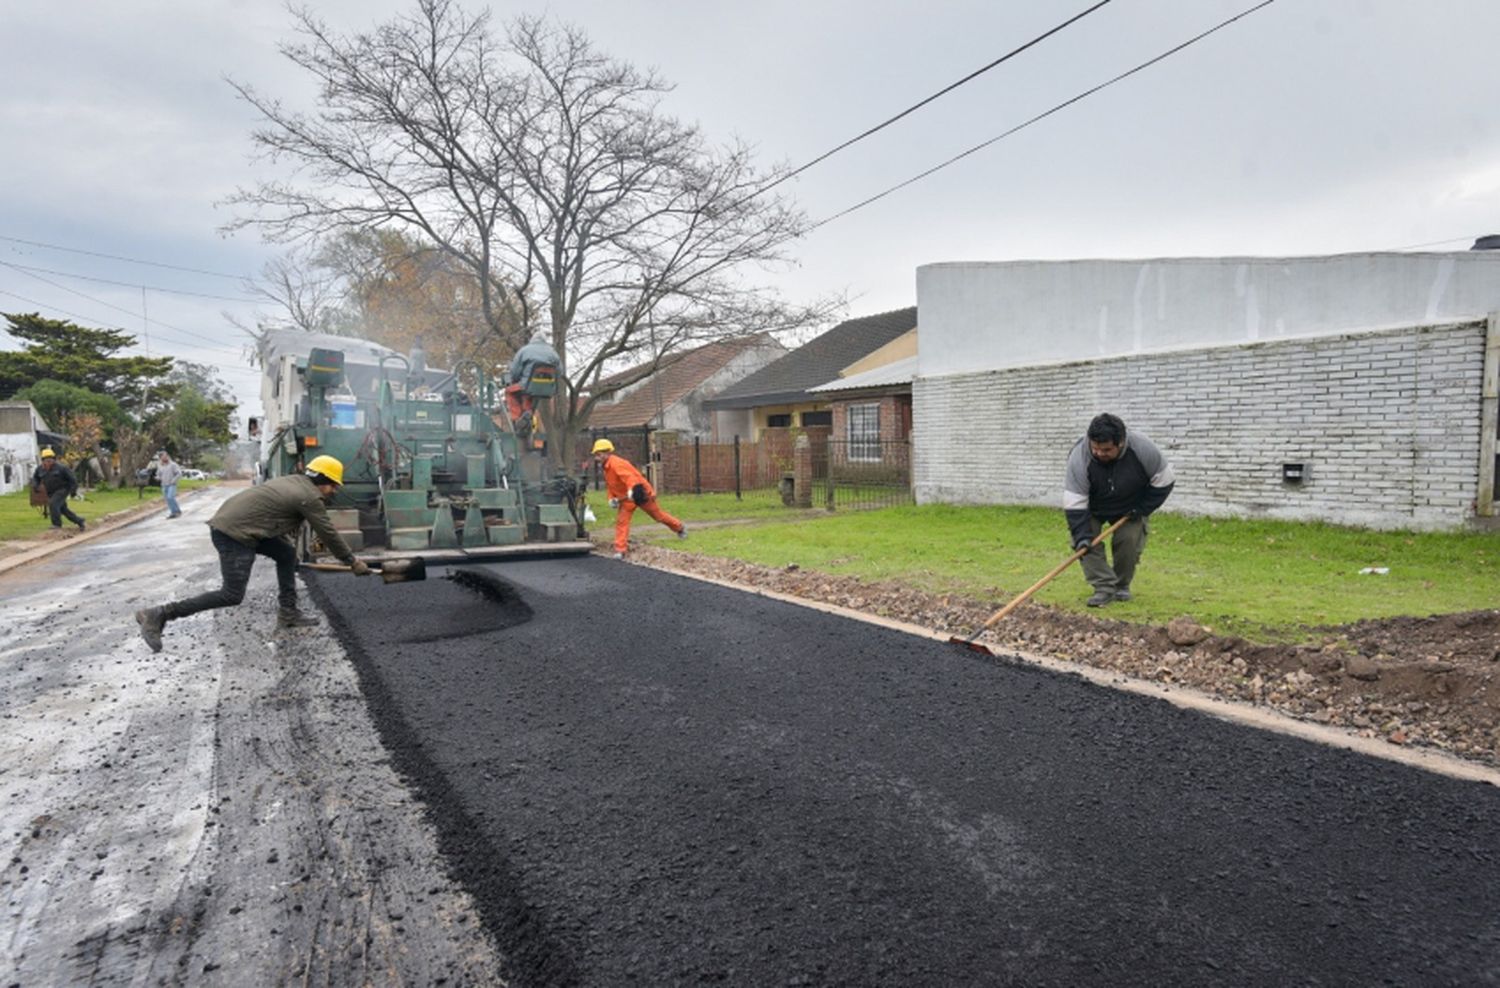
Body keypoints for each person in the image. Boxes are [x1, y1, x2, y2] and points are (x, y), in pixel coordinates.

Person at [134, 454, 371, 652]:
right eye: (333, 485)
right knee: (231, 594)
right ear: (322, 479)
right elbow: (328, 532)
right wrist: (351, 561)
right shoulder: (308, 496)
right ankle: (160, 614)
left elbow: (277, 517)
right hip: (234, 534)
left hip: (243, 528)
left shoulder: (295, 481)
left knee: (287, 554)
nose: (333, 490)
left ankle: (288, 613)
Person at [1063, 413, 1175, 607]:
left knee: (1129, 541)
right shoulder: (1079, 457)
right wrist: (1082, 536)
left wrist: (1142, 509)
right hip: (1091, 506)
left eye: (1106, 449)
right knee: (1083, 542)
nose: (1098, 453)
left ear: (1121, 443)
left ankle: (1121, 585)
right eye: (1095, 448)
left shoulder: (1142, 449)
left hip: (1130, 506)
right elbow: (1075, 503)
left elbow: (1164, 481)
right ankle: (1104, 587)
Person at [591, 438, 686, 559]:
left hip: (641, 493)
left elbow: (630, 478)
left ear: (607, 453)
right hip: (627, 499)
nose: (596, 458)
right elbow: (612, 485)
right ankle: (620, 550)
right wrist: (611, 498)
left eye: (598, 455)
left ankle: (679, 527)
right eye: (596, 455)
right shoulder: (606, 467)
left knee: (658, 516)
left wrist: (632, 490)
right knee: (622, 522)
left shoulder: (617, 463)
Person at [31, 448, 86, 532]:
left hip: (63, 489)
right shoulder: (39, 469)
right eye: (46, 460)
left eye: (50, 460)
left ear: (54, 460)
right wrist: (35, 486)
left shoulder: (62, 468)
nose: (48, 462)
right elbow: (36, 478)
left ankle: (56, 524)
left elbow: (73, 480)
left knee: (53, 504)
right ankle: (79, 521)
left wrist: (73, 492)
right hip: (50, 492)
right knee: (63, 509)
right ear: (43, 461)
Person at [156, 450, 184, 518]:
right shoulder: (159, 465)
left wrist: (173, 480)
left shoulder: (173, 465)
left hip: (172, 484)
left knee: (170, 497)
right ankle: (173, 512)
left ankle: (176, 511)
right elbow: (159, 474)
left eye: (166, 456)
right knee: (167, 499)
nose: (166, 457)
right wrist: (158, 477)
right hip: (164, 485)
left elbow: (179, 473)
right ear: (161, 458)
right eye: (164, 456)